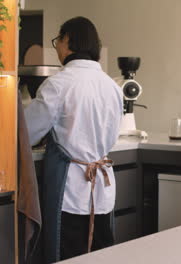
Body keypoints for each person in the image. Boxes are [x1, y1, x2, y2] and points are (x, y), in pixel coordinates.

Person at [24, 17, 123, 262]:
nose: (57, 47)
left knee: (68, 255)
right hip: (102, 186)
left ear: (68, 41)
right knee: (101, 254)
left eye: (58, 40)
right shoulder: (112, 86)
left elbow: (27, 130)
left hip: (71, 190)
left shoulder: (58, 84)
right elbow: (111, 135)